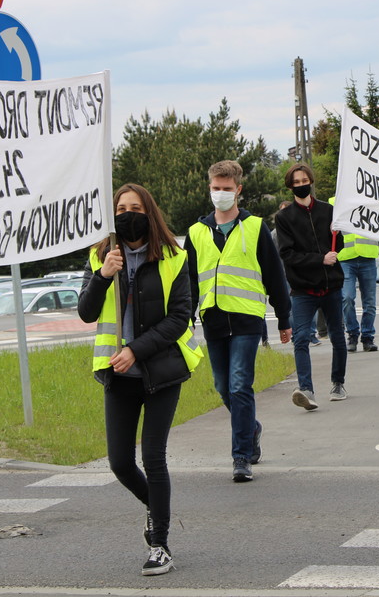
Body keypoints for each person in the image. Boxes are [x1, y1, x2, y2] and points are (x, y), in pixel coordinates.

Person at [77, 183, 202, 576]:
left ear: (149, 212)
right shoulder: (100, 255)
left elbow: (179, 317)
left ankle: (160, 543)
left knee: (153, 456)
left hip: (162, 368)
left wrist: (136, 348)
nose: (128, 213)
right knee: (119, 462)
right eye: (121, 207)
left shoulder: (174, 256)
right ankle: (157, 507)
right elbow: (85, 312)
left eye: (135, 207)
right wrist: (102, 275)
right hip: (119, 374)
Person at [185, 161, 292, 483]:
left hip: (247, 318)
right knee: (222, 386)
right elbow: (189, 280)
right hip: (213, 318)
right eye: (216, 188)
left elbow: (275, 275)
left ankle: (241, 457)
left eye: (227, 189)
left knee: (239, 383)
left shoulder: (255, 227)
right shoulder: (196, 232)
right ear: (209, 188)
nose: (221, 194)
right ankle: (252, 428)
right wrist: (185, 317)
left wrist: (284, 318)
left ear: (238, 190)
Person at [275, 163, 348, 408]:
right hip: (303, 289)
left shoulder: (328, 211)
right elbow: (287, 254)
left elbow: (339, 246)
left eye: (304, 180)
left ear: (311, 181)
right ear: (290, 186)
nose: (301, 185)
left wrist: (335, 244)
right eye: (296, 182)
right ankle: (306, 389)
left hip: (332, 286)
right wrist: (320, 259)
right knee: (301, 338)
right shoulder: (284, 217)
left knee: (337, 336)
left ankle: (338, 383)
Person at [332, 199, 379, 352]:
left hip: (368, 256)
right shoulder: (334, 203)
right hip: (346, 259)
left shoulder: (372, 200)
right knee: (346, 297)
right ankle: (352, 333)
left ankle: (367, 337)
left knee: (370, 302)